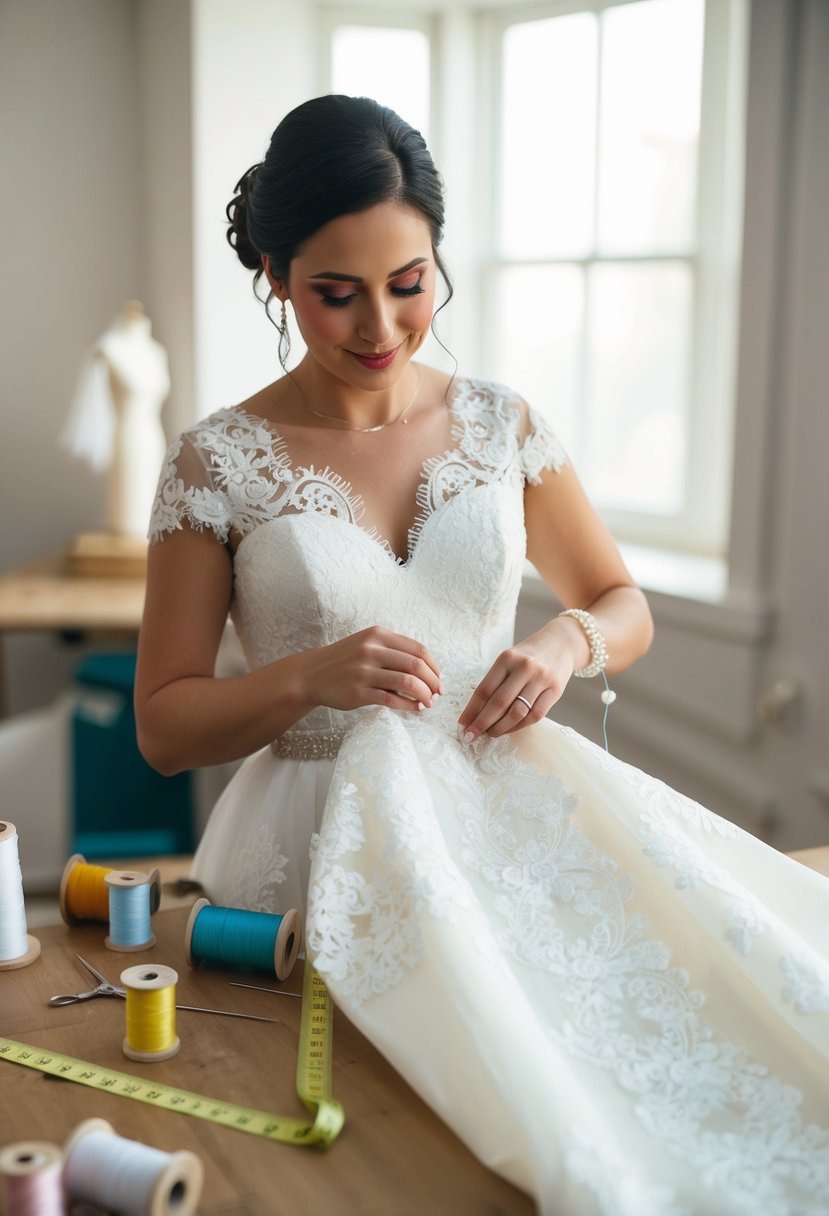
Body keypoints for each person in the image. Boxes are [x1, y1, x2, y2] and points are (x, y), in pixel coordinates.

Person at [135, 95, 829, 1214]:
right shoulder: (215, 462)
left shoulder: (502, 424)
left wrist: (566, 637)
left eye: (409, 284)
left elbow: (619, 599)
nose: (379, 327)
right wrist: (304, 676)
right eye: (335, 293)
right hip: (310, 853)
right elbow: (163, 727)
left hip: (510, 826)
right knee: (384, 1161)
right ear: (273, 272)